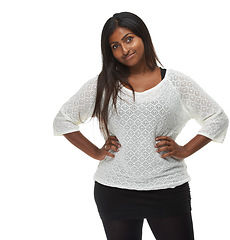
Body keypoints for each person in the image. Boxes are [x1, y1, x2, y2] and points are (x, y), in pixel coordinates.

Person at [53, 12, 228, 240]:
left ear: (143, 37)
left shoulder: (176, 82)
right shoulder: (103, 84)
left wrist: (185, 150)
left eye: (128, 39)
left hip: (167, 188)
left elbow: (217, 117)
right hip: (114, 190)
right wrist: (96, 152)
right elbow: (63, 120)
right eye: (115, 46)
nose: (124, 50)